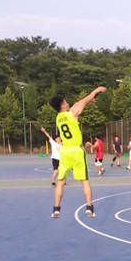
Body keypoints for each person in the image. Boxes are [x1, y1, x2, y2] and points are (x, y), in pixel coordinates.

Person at [48, 86, 106, 218]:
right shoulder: (72, 113)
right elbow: (82, 102)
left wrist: (87, 101)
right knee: (85, 181)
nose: (68, 103)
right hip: (76, 151)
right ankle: (89, 208)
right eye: (66, 102)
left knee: (60, 182)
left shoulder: (58, 118)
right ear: (62, 105)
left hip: (65, 152)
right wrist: (95, 91)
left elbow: (78, 105)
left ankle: (56, 209)